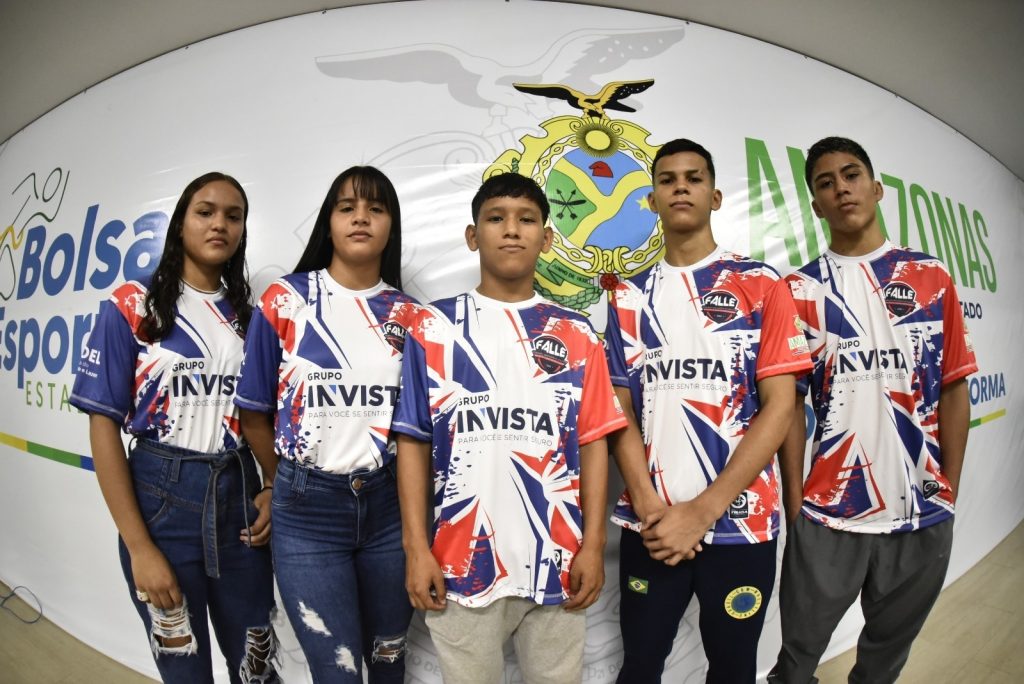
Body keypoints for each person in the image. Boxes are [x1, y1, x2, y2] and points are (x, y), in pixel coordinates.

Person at [392, 172, 626, 684]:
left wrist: (591, 544)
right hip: (460, 562)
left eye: (527, 220)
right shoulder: (433, 327)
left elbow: (593, 443)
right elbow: (412, 441)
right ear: (473, 236)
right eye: (496, 218)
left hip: (557, 560)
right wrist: (416, 548)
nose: (512, 230)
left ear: (547, 238)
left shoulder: (576, 333)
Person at [768, 137, 977, 684]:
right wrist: (796, 499)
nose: (841, 188)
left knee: (883, 664)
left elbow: (954, 387)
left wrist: (948, 487)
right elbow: (786, 406)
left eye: (851, 174)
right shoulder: (798, 289)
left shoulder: (930, 276)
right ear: (817, 205)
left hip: (922, 510)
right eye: (826, 183)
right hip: (829, 510)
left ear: (877, 188)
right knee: (795, 664)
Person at [604, 139, 813, 684]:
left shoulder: (762, 285)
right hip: (651, 523)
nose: (681, 187)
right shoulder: (627, 296)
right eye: (667, 179)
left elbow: (781, 407)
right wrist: (648, 502)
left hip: (741, 523)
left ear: (715, 196)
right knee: (640, 668)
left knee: (734, 670)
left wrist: (704, 510)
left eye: (694, 178)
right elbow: (619, 408)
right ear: (652, 199)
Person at [70, 172, 278, 683]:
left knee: (257, 669)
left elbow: (262, 419)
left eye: (233, 216)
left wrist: (274, 484)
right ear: (181, 223)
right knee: (185, 672)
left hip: (239, 503)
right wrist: (140, 548)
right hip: (161, 506)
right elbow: (103, 427)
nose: (219, 224)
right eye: (205, 212)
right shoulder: (132, 305)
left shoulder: (252, 318)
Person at [234, 166, 417, 683]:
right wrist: (285, 481)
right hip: (307, 514)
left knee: (389, 661)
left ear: (391, 225)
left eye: (376, 208)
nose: (361, 218)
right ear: (329, 222)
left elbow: (417, 432)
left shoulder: (412, 317)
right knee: (337, 671)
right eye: (347, 207)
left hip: (389, 510)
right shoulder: (285, 301)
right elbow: (253, 413)